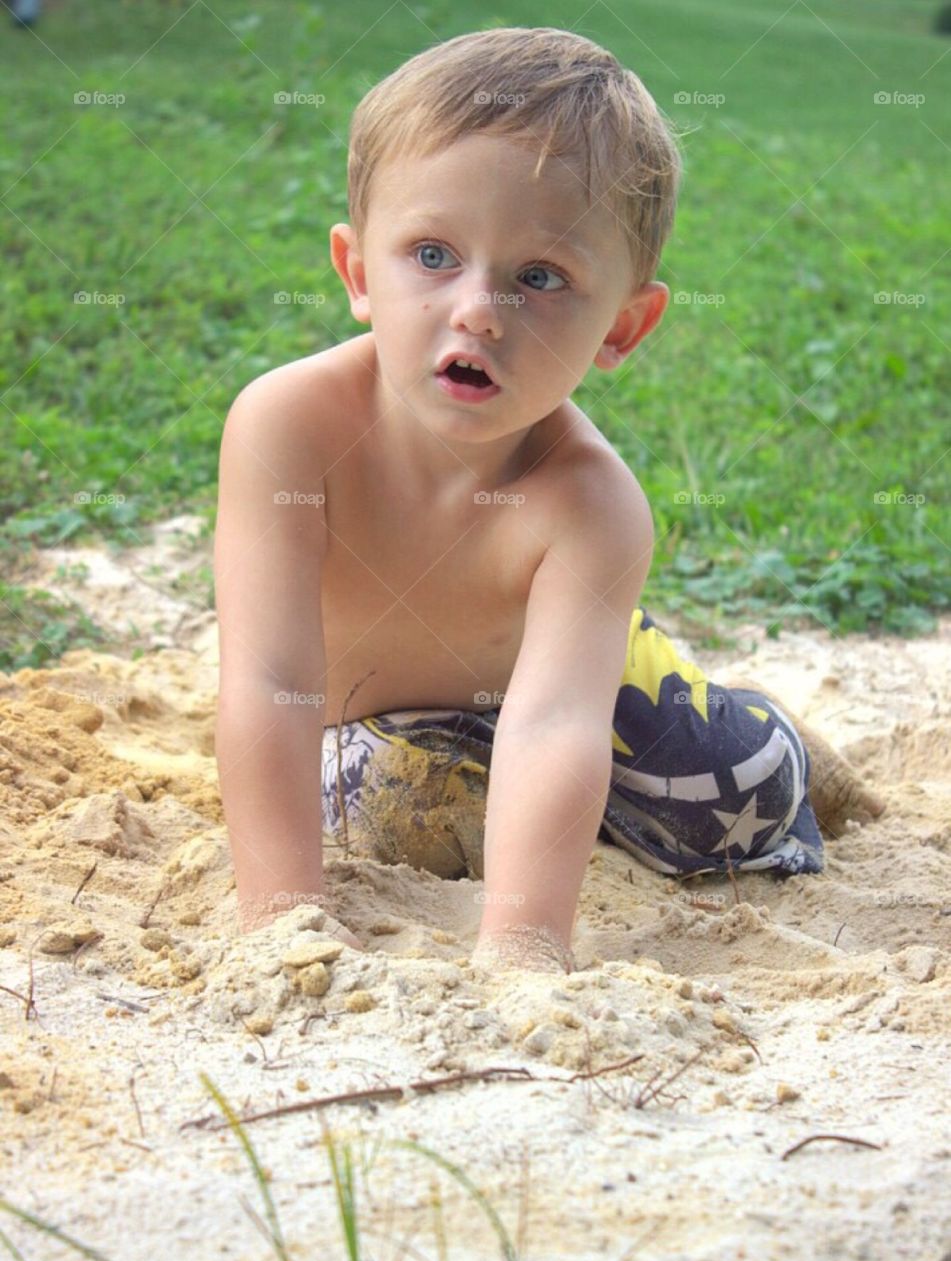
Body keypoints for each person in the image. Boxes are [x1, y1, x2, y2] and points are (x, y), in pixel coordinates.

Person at [213, 27, 884, 972]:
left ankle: (768, 731)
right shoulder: (288, 428)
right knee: (391, 812)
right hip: (384, 717)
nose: (480, 309)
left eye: (540, 277)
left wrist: (523, 948)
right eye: (433, 255)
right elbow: (269, 683)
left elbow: (554, 724)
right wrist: (277, 917)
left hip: (583, 694)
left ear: (622, 326)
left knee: (737, 803)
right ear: (358, 272)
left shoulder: (587, 503)